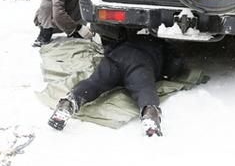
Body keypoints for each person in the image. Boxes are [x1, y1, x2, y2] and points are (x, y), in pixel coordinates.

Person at [47, 36, 185, 137]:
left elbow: (109, 48)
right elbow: (172, 67)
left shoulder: (129, 36)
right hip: (141, 63)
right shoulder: (164, 44)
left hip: (116, 58)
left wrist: (109, 59)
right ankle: (150, 117)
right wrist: (165, 73)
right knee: (144, 90)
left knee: (94, 83)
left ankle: (70, 101)